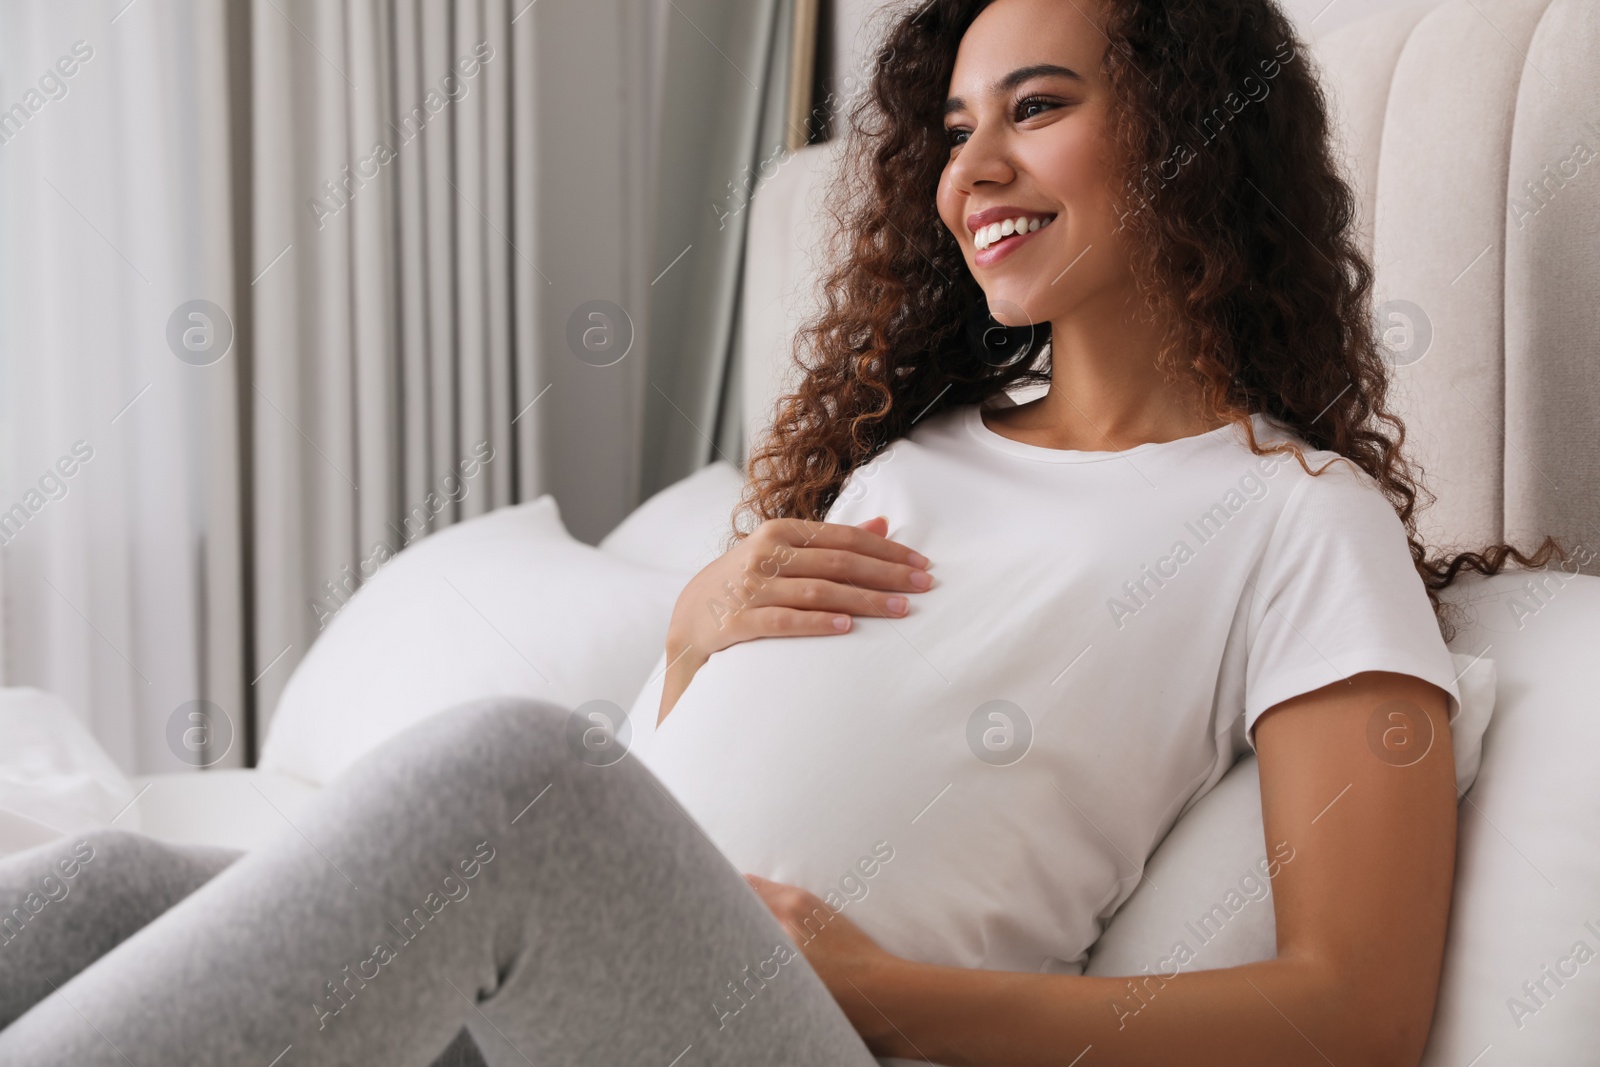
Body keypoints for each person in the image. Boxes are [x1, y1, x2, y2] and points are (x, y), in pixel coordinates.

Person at [0, 1, 1564, 1065]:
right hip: (586, 987)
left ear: (1190, 139)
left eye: (1039, 108)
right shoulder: (916, 449)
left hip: (803, 1041)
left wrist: (892, 993)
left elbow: (1354, 1009)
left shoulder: (1295, 521)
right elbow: (703, 780)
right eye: (955, 128)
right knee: (87, 888)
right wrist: (684, 645)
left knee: (513, 773)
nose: (975, 171)